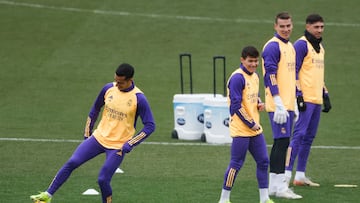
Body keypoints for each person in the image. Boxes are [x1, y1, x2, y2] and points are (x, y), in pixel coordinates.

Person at [30, 63, 156, 203]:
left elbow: (150, 126)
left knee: (103, 179)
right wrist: (87, 134)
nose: (117, 84)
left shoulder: (139, 99)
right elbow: (95, 109)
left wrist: (130, 143)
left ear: (130, 80)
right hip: (98, 138)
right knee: (72, 162)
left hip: (117, 146)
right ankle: (47, 195)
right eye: (116, 80)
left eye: (120, 82)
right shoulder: (109, 88)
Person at [218, 46, 274, 203]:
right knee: (236, 164)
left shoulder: (255, 76)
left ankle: (264, 199)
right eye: (250, 61)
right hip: (241, 129)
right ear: (242, 60)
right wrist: (250, 123)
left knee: (263, 161)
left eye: (256, 61)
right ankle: (224, 199)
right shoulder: (237, 78)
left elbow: (251, 96)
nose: (254, 64)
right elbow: (235, 106)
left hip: (254, 129)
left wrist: (258, 102)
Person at [285, 14, 331, 187]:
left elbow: (318, 75)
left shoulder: (320, 48)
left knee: (309, 137)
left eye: (322, 27)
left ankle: (300, 176)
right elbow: (293, 71)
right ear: (308, 27)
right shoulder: (301, 45)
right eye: (316, 27)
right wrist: (298, 94)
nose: (319, 30)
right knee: (298, 136)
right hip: (304, 99)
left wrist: (325, 94)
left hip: (316, 99)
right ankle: (286, 174)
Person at [261, 12, 302, 199]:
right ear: (275, 27)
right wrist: (278, 102)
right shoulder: (272, 47)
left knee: (283, 143)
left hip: (287, 104)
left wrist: (293, 102)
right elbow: (270, 76)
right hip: (277, 105)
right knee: (281, 142)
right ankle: (277, 187)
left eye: (288, 26)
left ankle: (275, 186)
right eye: (282, 26)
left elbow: (292, 77)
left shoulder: (291, 47)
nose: (286, 29)